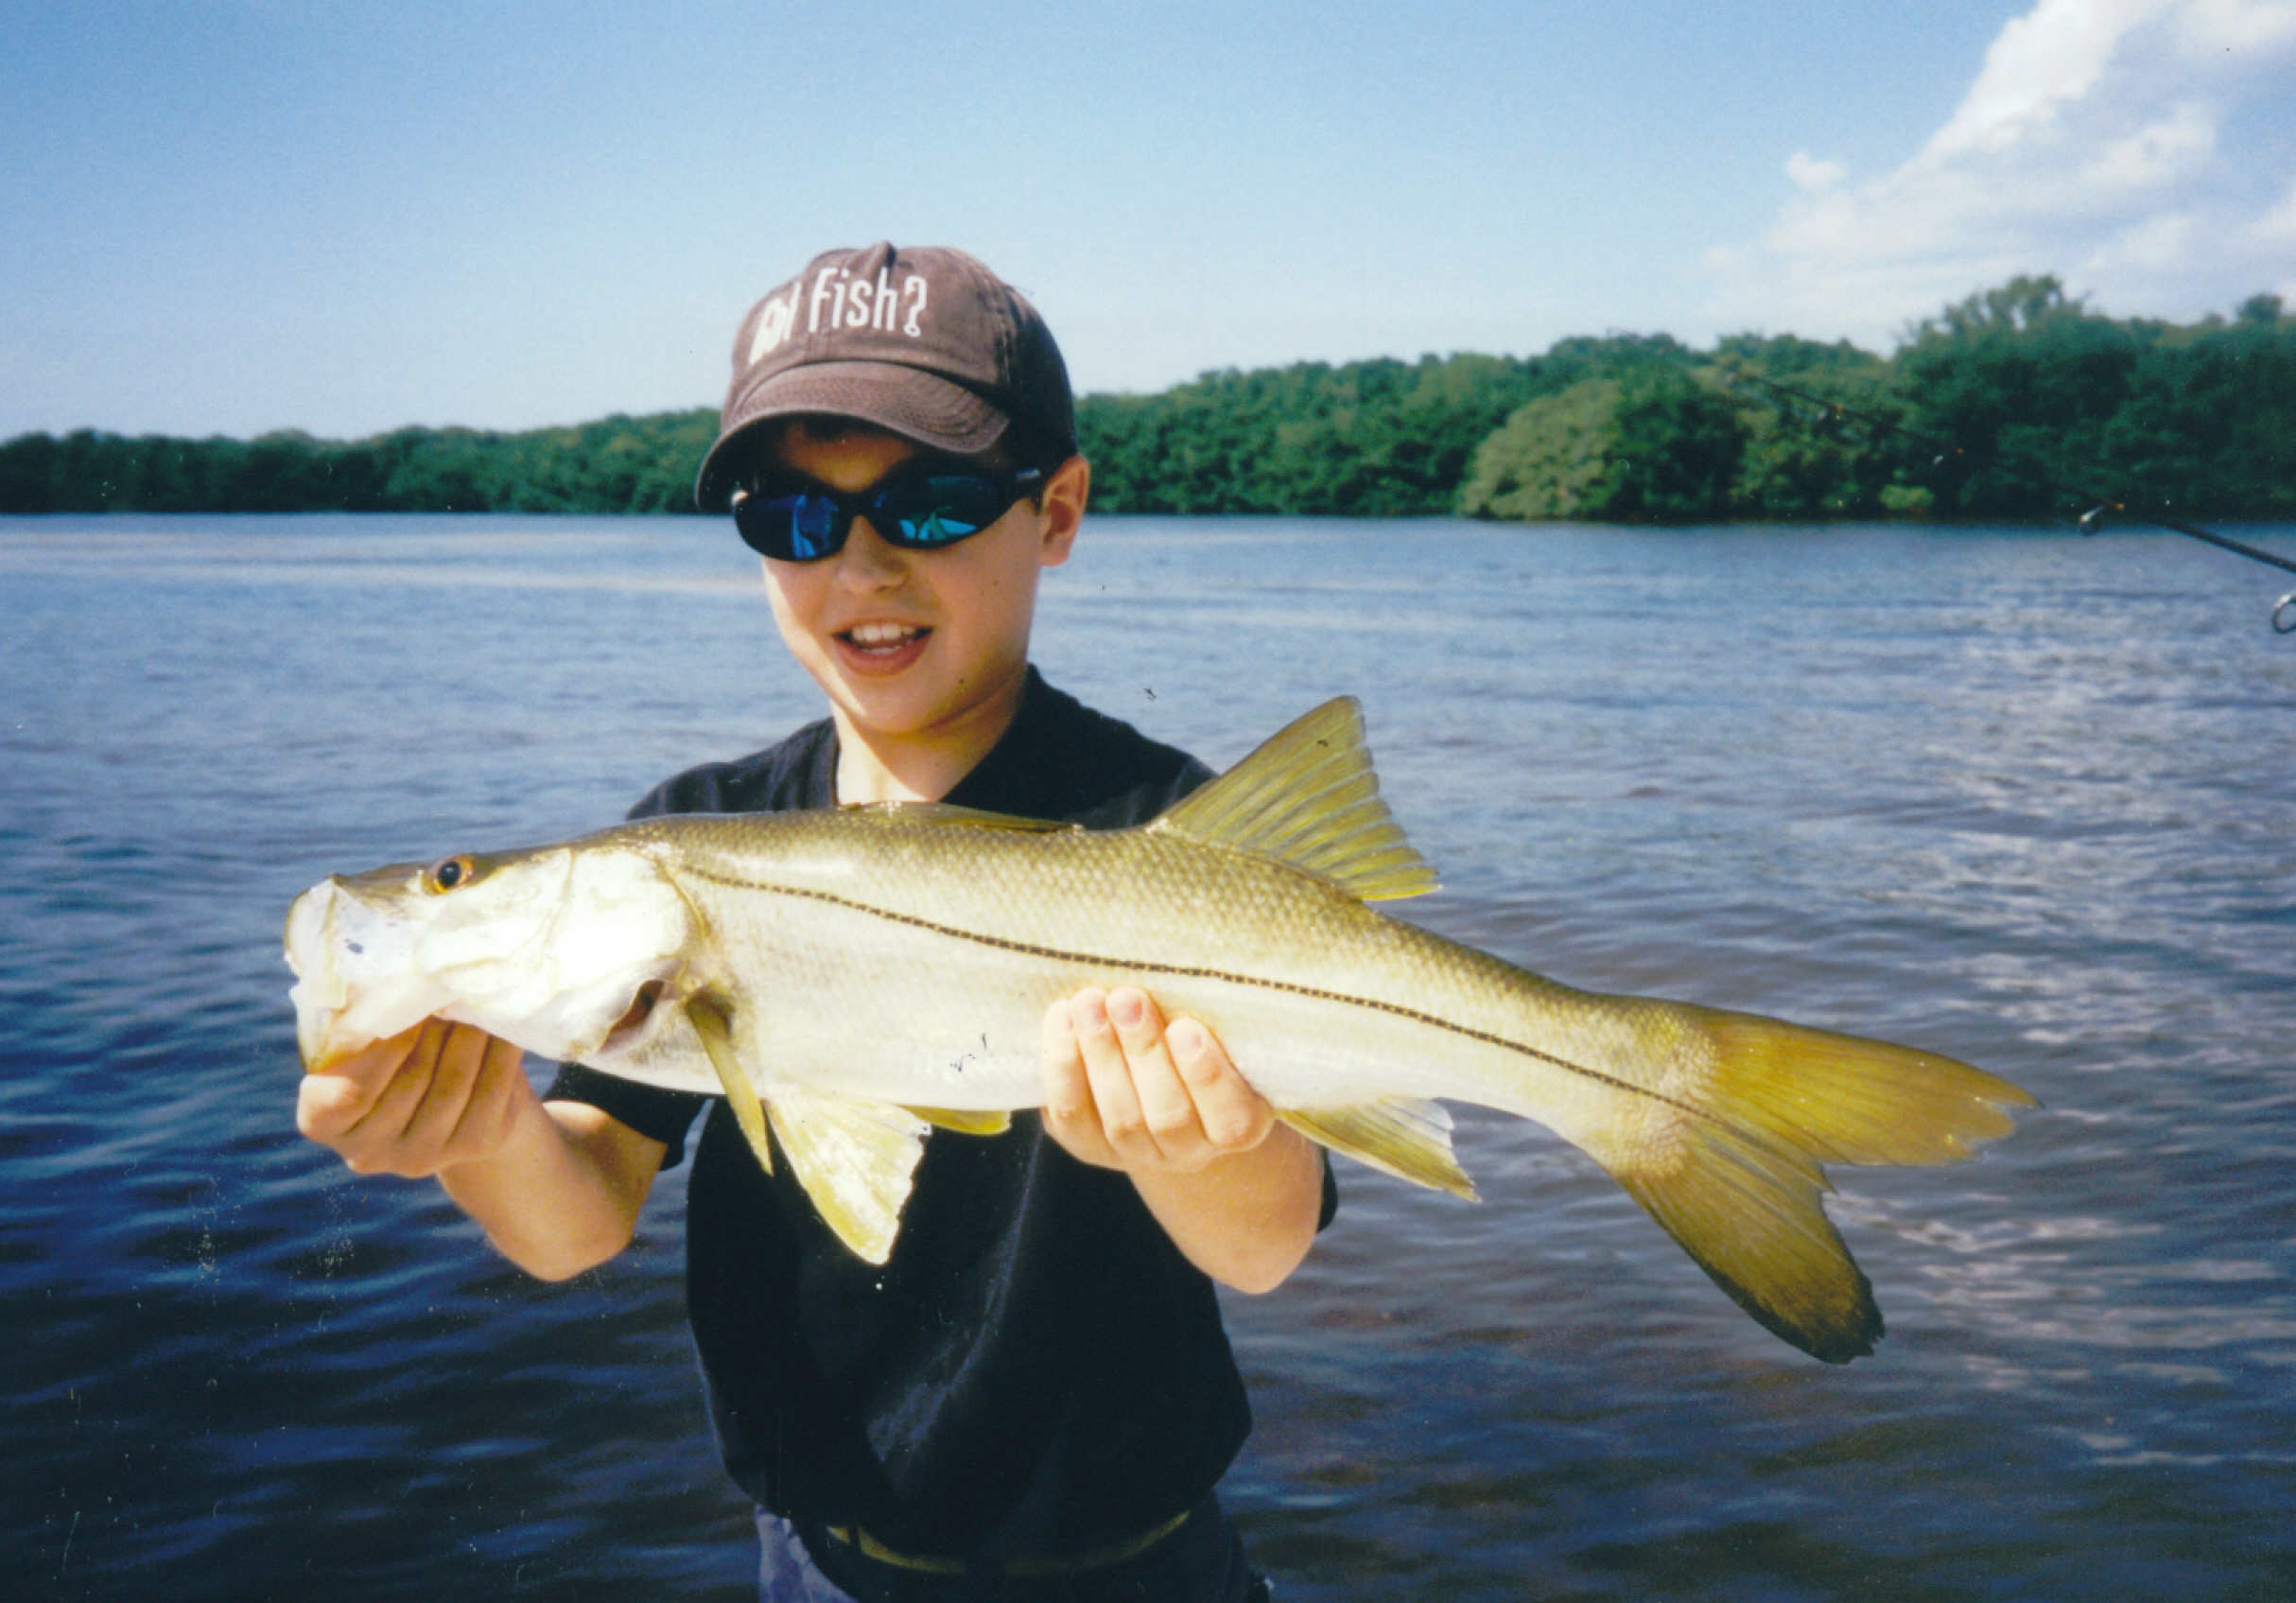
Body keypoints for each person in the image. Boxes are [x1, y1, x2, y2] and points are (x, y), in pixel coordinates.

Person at [295, 242, 1332, 1602]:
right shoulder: (696, 827)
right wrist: (484, 1131)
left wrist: (1196, 1153)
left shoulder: (1167, 828)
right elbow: (573, 1224)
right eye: (791, 518)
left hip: (1140, 1566)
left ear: (1059, 511)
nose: (860, 566)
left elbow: (1264, 1245)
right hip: (819, 1562)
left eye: (932, 503)